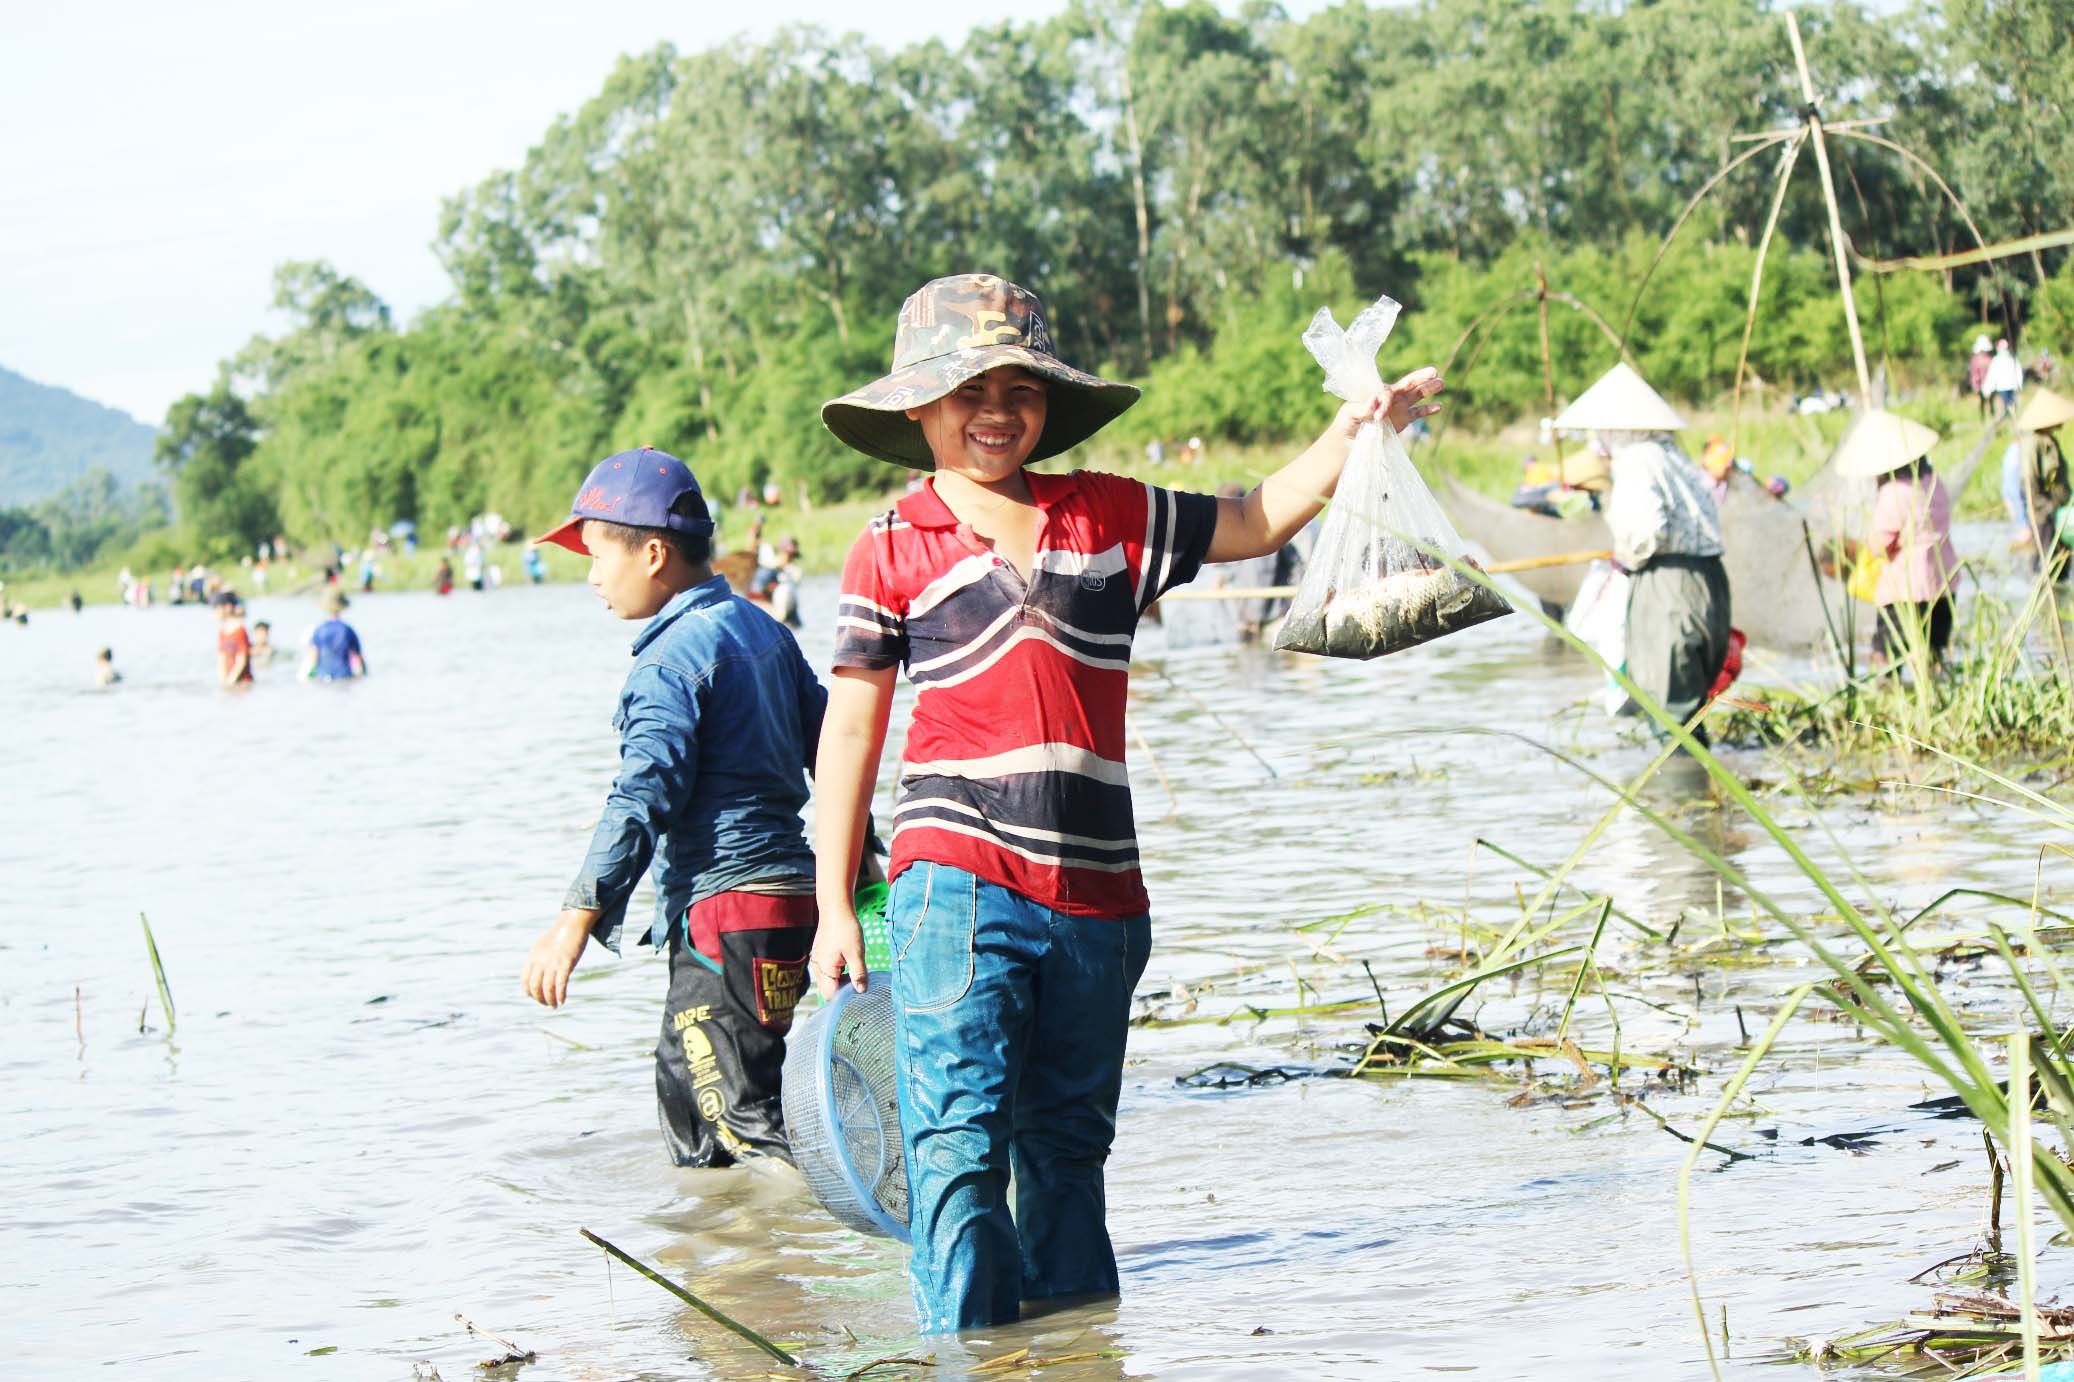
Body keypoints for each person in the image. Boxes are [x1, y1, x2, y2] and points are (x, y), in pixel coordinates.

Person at [808, 274, 1443, 1332]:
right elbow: (850, 728)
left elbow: (1252, 517)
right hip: (954, 889)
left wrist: (1354, 429)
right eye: (967, 388)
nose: (996, 408)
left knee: (1066, 1149)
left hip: (1098, 898)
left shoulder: (1107, 511)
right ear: (917, 410)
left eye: (1020, 385)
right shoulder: (892, 541)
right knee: (958, 1147)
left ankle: (1072, 1352)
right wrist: (836, 899)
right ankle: (971, 1352)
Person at [519, 447, 834, 1168]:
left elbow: (641, 796)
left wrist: (575, 922)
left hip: (726, 912)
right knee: (688, 1096)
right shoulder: (766, 632)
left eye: (597, 555)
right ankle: (726, 1260)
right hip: (787, 907)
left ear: (654, 552)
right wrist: (862, 866)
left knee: (741, 1120)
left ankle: (852, 1232)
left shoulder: (669, 661)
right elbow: (834, 750)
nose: (592, 575)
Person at [1554, 362, 1729, 745]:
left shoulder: (1636, 459)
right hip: (1708, 580)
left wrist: (1625, 558)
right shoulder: (1672, 454)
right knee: (1688, 701)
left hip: (1669, 584)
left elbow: (1646, 531)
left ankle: (1681, 799)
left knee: (1671, 709)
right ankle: (1701, 794)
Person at [1833, 410, 1958, 665]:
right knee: (1934, 652)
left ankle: (1888, 692)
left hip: (1908, 588)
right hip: (1945, 580)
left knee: (1887, 651)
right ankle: (1936, 695)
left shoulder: (1894, 493)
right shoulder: (1934, 481)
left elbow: (1879, 546)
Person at [2014, 387, 2074, 574]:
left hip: (2059, 511)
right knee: (2048, 563)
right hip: (2044, 514)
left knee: (2063, 562)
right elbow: (2029, 482)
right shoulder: (2033, 444)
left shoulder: (2049, 441)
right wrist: (2045, 508)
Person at [302, 590, 367, 680]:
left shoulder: (319, 630)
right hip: (344, 676)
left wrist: (308, 677)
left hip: (323, 677)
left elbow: (314, 658)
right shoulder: (347, 630)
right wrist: (365, 675)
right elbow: (358, 657)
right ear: (342, 608)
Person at [215, 593, 254, 688]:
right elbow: (221, 658)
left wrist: (231, 681)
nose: (215, 612)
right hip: (229, 681)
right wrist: (223, 680)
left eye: (217, 608)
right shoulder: (222, 631)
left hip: (243, 682)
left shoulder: (240, 630)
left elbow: (242, 660)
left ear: (228, 607)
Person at [1986, 338, 2024, 417]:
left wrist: (1989, 387)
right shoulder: (1999, 360)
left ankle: (2011, 418)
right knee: (2010, 404)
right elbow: (1993, 375)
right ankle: (2011, 418)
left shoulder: (2009, 359)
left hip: (2006, 386)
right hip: (2007, 386)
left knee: (2009, 404)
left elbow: (1992, 375)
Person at [1970, 334, 1994, 417]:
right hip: (1986, 384)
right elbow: (1975, 374)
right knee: (1988, 402)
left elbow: (1974, 374)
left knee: (1985, 403)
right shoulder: (1989, 358)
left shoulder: (1976, 359)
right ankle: (1987, 417)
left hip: (1985, 384)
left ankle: (1985, 418)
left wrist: (1975, 386)